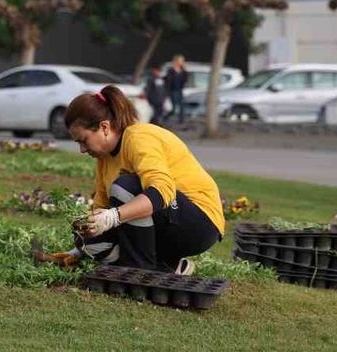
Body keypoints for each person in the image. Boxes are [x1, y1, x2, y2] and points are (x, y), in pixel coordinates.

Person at [40, 85, 225, 271]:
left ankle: (140, 268)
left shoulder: (138, 137)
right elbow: (101, 208)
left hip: (199, 224)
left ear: (104, 127)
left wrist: (113, 216)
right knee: (88, 239)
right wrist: (79, 249)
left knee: (126, 185)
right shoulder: (104, 158)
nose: (82, 149)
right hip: (165, 224)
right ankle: (169, 266)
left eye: (83, 140)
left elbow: (163, 190)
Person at [164, 55, 189, 124]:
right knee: (173, 108)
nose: (182, 62)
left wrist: (184, 69)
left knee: (182, 106)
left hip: (179, 90)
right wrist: (167, 92)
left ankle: (181, 121)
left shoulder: (183, 71)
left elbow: (185, 79)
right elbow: (168, 81)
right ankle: (166, 117)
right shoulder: (171, 70)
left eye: (182, 61)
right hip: (172, 91)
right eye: (181, 61)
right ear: (177, 61)